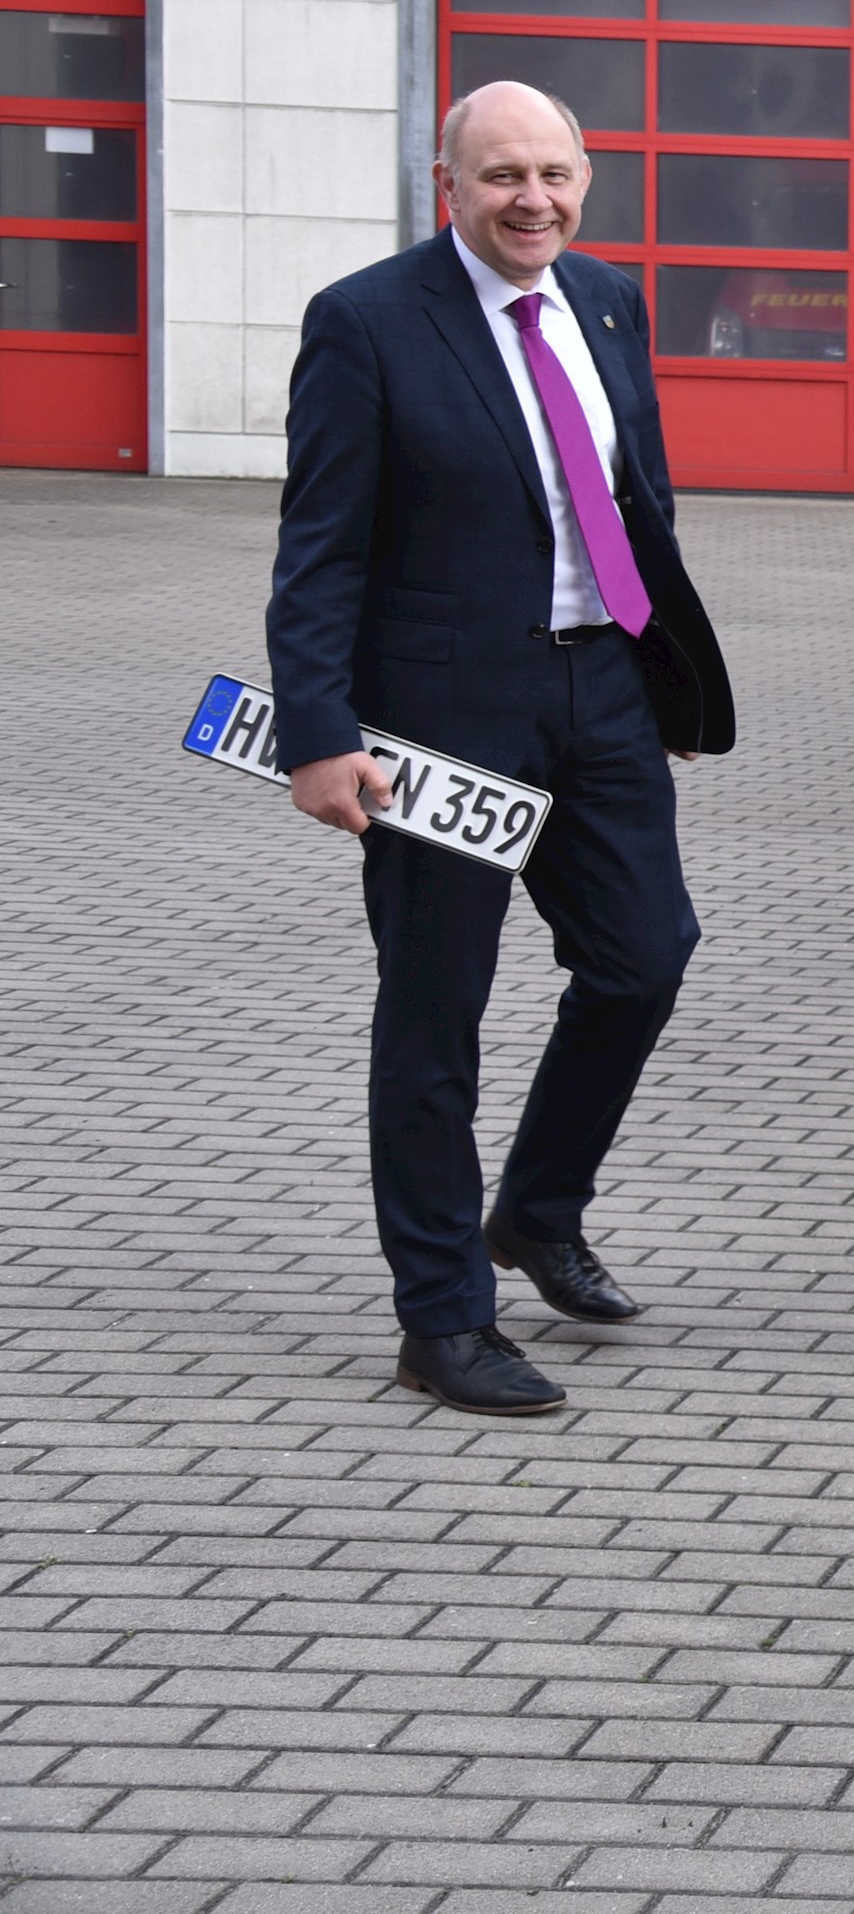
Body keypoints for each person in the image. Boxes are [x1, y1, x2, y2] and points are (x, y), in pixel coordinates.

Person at [265, 80, 735, 1418]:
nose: (533, 199)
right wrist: (318, 735)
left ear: (585, 177)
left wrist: (664, 682)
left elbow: (638, 500)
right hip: (441, 722)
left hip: (603, 694)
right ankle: (442, 1317)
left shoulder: (606, 301)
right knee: (436, 1012)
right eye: (502, 176)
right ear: (449, 187)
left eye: (553, 173)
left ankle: (534, 1208)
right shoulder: (366, 320)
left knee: (645, 956)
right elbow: (319, 546)